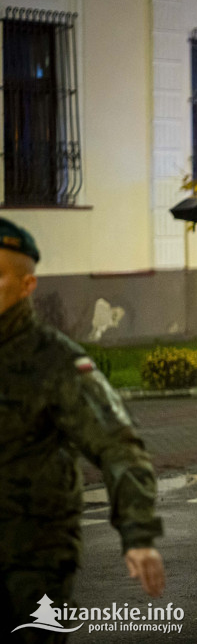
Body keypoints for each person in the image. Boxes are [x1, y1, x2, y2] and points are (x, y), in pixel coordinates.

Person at [0, 218, 165, 637]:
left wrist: (138, 533)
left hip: (30, 557)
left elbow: (118, 446)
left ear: (27, 286)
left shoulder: (54, 361)